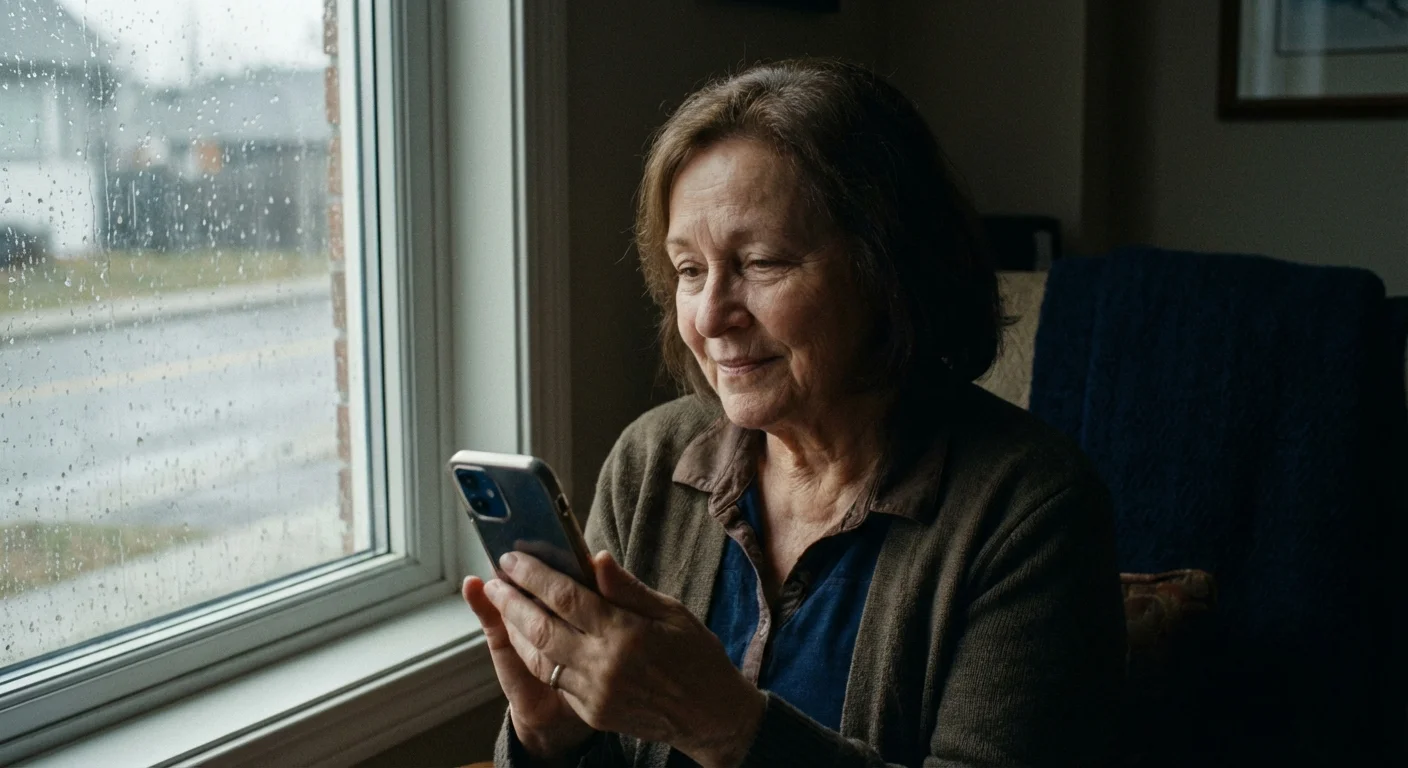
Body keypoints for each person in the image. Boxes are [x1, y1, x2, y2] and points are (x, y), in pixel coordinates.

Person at [463, 58, 1125, 768]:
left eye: (762, 262)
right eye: (689, 271)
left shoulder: (1031, 509)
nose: (710, 316)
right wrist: (550, 741)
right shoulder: (649, 461)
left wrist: (728, 728)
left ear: (887, 270)